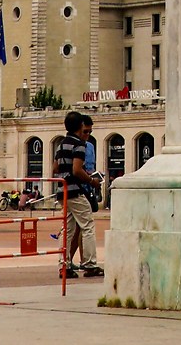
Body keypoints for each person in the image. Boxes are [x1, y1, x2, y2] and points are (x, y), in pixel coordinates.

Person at [54, 112, 104, 277]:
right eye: (86, 131)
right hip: (75, 190)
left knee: (68, 229)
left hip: (63, 190)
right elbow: (76, 169)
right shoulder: (79, 145)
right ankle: (90, 264)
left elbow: (55, 169)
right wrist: (91, 180)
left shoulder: (61, 144)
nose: (88, 135)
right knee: (88, 224)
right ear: (78, 128)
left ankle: (65, 265)